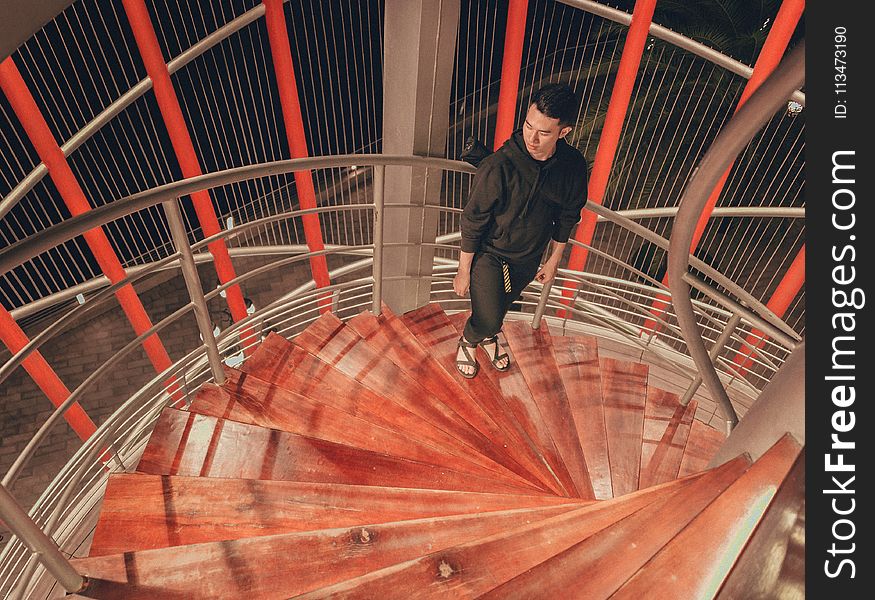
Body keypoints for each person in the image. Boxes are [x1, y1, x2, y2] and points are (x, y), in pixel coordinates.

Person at [453, 83, 588, 378]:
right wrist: (464, 269)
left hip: (528, 258)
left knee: (500, 308)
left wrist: (554, 260)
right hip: (490, 254)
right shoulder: (500, 165)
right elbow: (473, 219)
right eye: (528, 126)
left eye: (544, 132)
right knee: (488, 316)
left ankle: (488, 336)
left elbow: (568, 216)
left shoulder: (572, 165)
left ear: (564, 132)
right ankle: (470, 339)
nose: (532, 137)